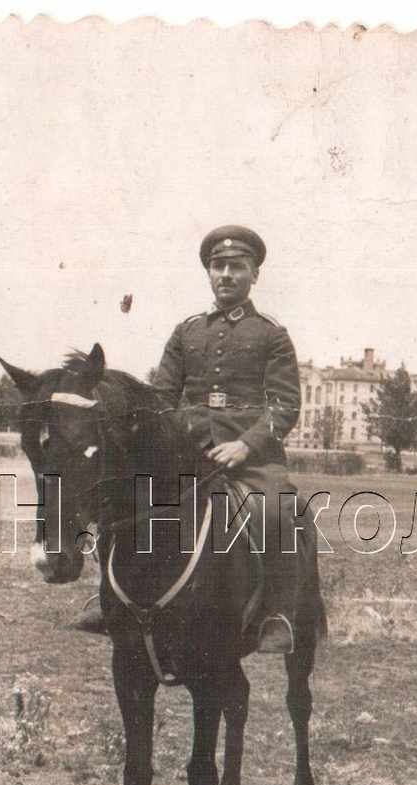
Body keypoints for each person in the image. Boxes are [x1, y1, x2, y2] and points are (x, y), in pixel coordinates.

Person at [155, 225, 301, 653]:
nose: (226, 275)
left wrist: (245, 445)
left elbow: (285, 405)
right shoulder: (187, 331)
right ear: (208, 272)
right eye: (218, 266)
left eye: (237, 267)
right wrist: (179, 439)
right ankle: (112, 597)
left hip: (251, 457)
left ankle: (277, 614)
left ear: (254, 274)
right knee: (132, 496)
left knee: (278, 510)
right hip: (189, 453)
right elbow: (163, 397)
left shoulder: (272, 333)